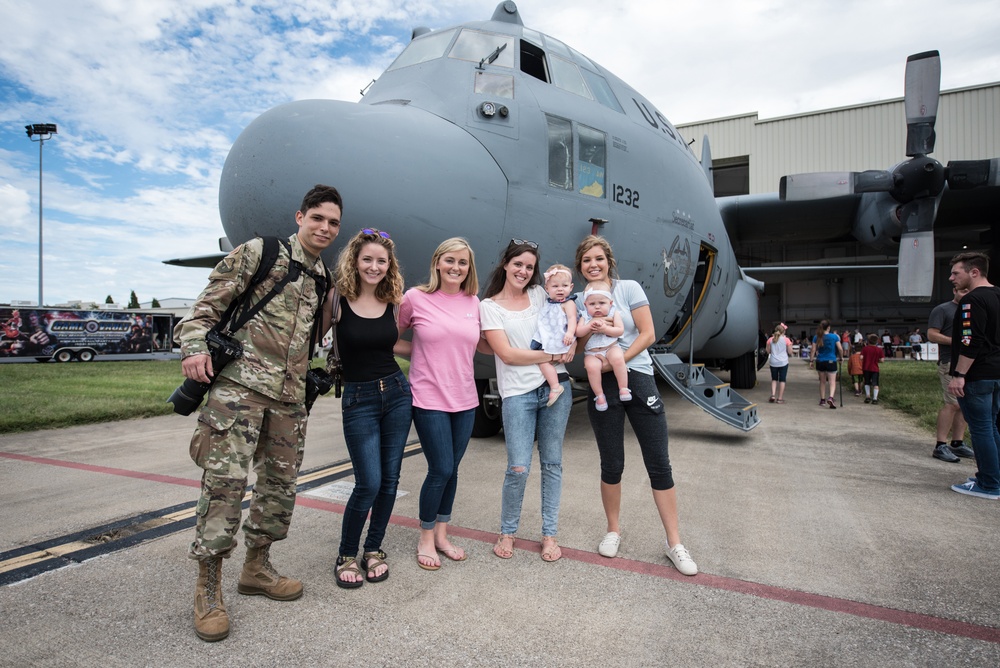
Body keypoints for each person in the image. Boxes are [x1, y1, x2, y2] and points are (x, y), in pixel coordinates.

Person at [174, 184, 340, 642]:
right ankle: (208, 587)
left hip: (289, 398)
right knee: (224, 486)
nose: (324, 228)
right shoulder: (262, 253)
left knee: (279, 487)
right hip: (239, 391)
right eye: (318, 218)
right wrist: (193, 349)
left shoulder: (325, 278)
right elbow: (205, 309)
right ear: (300, 216)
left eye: (333, 223)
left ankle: (257, 567)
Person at [574, 235, 698, 575]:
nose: (593, 264)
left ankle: (675, 543)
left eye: (598, 258)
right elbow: (575, 340)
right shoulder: (578, 299)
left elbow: (647, 333)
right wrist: (583, 323)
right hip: (601, 384)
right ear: (580, 266)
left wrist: (618, 361)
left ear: (609, 260)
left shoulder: (628, 289)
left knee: (659, 462)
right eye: (586, 260)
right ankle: (613, 530)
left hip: (637, 377)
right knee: (611, 462)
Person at [397, 238, 490, 571]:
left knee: (453, 470)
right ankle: (424, 536)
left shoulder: (473, 302)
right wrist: (418, 353)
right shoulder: (415, 298)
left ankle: (441, 534)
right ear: (437, 262)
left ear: (469, 268)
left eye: (463, 263)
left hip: (465, 399)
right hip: (429, 397)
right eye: (450, 260)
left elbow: (483, 347)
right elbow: (390, 337)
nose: (456, 267)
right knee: (440, 468)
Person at [328, 228, 412, 587]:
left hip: (396, 392)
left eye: (381, 260)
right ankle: (347, 553)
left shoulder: (394, 301)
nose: (374, 266)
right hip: (358, 397)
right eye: (368, 259)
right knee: (369, 482)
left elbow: (399, 346)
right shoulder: (335, 299)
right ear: (355, 260)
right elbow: (305, 340)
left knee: (390, 481)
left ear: (389, 264)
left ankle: (373, 549)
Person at [480, 239, 573, 563]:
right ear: (505, 264)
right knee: (518, 468)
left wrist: (573, 338)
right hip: (517, 394)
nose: (523, 270)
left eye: (529, 266)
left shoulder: (539, 295)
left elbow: (568, 311)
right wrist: (551, 355)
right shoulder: (489, 306)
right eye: (518, 264)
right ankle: (508, 531)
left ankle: (549, 535)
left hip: (555, 387)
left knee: (552, 464)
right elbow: (507, 354)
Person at [946, 252, 1000, 500]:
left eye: (956, 273)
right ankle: (993, 475)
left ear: (974, 272)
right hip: (996, 372)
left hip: (977, 375)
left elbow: (971, 340)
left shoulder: (972, 301)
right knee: (992, 426)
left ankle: (988, 483)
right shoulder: (997, 295)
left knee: (980, 429)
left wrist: (959, 374)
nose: (951, 278)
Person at [928, 287, 973, 462]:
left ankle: (958, 442)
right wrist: (957, 342)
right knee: (952, 403)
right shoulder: (943, 309)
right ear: (954, 290)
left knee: (964, 404)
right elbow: (932, 334)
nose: (966, 294)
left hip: (969, 363)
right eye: (963, 291)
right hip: (949, 362)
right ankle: (941, 444)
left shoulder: (973, 310)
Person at [576, 278, 631, 411]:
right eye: (592, 304)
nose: (597, 306)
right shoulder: (585, 316)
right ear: (586, 304)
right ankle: (599, 396)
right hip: (592, 352)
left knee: (618, 359)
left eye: (602, 303)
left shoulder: (613, 313)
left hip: (610, 347)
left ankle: (623, 388)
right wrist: (589, 326)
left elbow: (619, 330)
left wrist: (605, 329)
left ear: (610, 303)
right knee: (591, 367)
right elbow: (578, 332)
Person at [531, 264, 578, 407]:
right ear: (547, 289)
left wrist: (570, 333)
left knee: (543, 361)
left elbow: (572, 319)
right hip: (547, 338)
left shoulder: (568, 303)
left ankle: (555, 386)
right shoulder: (548, 303)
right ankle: (555, 385)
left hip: (561, 338)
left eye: (564, 286)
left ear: (571, 287)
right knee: (540, 359)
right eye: (555, 286)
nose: (560, 289)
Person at [810, 320, 843, 409]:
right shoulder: (835, 336)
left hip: (820, 361)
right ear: (829, 327)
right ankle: (831, 397)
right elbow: (840, 348)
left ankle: (822, 400)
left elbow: (813, 349)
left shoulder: (817, 337)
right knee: (832, 381)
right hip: (831, 360)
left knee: (822, 381)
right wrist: (841, 357)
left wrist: (811, 361)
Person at [766, 323, 793, 403]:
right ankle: (780, 398)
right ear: (783, 331)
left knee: (774, 379)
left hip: (773, 362)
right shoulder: (787, 340)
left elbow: (768, 351)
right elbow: (790, 352)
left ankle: (773, 395)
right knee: (782, 380)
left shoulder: (770, 339)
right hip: (783, 362)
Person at [861, 333, 885, 404]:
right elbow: (882, 360)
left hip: (866, 368)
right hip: (875, 368)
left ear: (868, 341)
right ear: (877, 341)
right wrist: (877, 361)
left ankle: (868, 396)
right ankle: (875, 398)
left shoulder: (865, 349)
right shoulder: (879, 350)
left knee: (867, 382)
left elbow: (861, 357)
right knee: (875, 384)